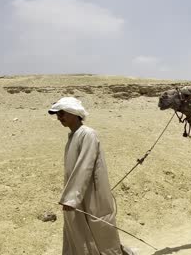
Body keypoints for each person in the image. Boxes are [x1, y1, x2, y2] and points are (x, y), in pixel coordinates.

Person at [48, 97, 134, 255]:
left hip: (93, 194)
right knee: (77, 229)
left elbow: (85, 166)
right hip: (79, 194)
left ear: (73, 113)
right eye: (57, 114)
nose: (59, 118)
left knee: (100, 230)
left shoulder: (88, 134)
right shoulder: (74, 135)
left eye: (61, 113)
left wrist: (71, 197)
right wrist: (73, 196)